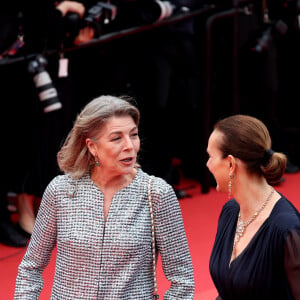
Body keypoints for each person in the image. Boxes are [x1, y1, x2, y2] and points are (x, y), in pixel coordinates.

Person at [14, 95, 195, 299]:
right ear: (92, 146)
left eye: (133, 135)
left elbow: (183, 280)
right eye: (117, 138)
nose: (130, 146)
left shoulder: (157, 194)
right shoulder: (60, 190)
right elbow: (31, 268)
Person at [206, 114, 300, 299]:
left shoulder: (287, 230)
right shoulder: (231, 212)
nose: (207, 165)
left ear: (231, 164)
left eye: (211, 156)